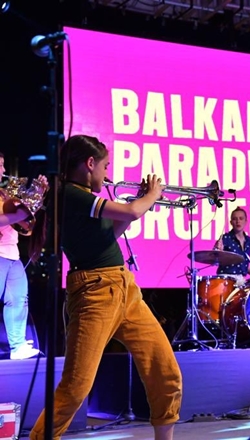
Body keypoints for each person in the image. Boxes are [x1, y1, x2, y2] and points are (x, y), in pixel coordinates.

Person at [30, 135, 182, 440]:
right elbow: (132, 212)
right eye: (105, 166)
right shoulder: (70, 193)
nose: (107, 172)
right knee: (76, 387)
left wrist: (140, 200)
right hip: (94, 293)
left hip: (124, 288)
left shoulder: (84, 196)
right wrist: (151, 195)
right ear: (90, 163)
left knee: (165, 372)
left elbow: (112, 232)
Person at [0, 152, 46, 360]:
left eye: (3, 165)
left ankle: (17, 346)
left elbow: (25, 224)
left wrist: (38, 194)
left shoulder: (4, 194)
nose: (3, 170)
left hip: (12, 254)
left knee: (19, 300)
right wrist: (19, 213)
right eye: (0, 165)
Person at [213, 206, 250, 280]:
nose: (238, 221)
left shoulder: (249, 240)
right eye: (235, 219)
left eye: (241, 218)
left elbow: (244, 262)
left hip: (241, 278)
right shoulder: (225, 238)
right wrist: (218, 251)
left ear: (246, 221)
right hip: (226, 278)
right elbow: (214, 257)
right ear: (231, 222)